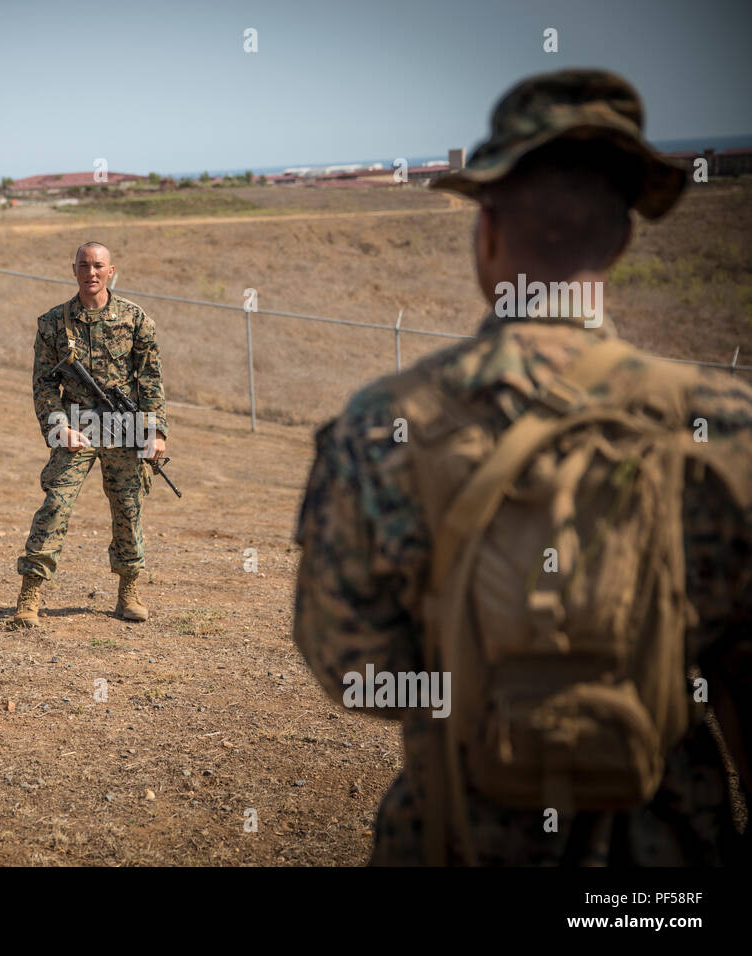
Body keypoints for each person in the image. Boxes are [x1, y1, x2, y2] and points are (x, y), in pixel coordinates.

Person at [292, 69, 752, 865]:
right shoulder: (728, 425)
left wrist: (476, 690)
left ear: (486, 231)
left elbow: (347, 664)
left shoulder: (382, 426)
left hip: (448, 837)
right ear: (622, 237)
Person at [13, 242, 168, 626]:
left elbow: (151, 381)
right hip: (76, 427)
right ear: (74, 270)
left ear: (111, 271)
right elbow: (44, 384)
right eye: (84, 265)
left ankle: (128, 592)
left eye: (98, 266)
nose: (91, 273)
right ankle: (29, 597)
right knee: (54, 507)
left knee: (128, 510)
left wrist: (155, 431)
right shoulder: (52, 323)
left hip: (124, 428)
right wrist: (58, 426)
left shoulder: (136, 320)